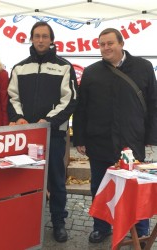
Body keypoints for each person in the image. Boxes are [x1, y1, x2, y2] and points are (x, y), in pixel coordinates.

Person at [73, 28, 157, 244]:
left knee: (135, 186)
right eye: (102, 44)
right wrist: (79, 138)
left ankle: (140, 228)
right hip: (99, 140)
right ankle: (101, 227)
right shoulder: (92, 72)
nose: (106, 47)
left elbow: (153, 103)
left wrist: (151, 135)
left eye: (110, 43)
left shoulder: (144, 67)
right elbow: (81, 108)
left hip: (132, 140)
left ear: (121, 43)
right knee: (100, 186)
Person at [8, 21, 78, 242]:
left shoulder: (64, 67)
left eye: (44, 36)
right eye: (36, 36)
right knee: (26, 180)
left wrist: (47, 121)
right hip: (26, 136)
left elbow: (70, 101)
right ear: (31, 39)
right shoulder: (19, 68)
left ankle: (58, 222)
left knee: (56, 180)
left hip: (54, 134)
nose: (40, 40)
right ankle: (28, 220)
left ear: (51, 40)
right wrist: (19, 118)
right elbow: (12, 97)